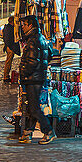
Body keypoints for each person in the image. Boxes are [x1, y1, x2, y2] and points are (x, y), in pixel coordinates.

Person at [18, 14, 55, 145]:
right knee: (32, 106)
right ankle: (27, 132)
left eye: (24, 25)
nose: (22, 27)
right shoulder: (41, 38)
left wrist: (23, 73)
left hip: (33, 78)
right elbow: (49, 54)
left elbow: (32, 61)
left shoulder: (33, 39)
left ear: (30, 25)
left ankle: (48, 131)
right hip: (37, 77)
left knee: (34, 108)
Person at [1, 16, 19, 83]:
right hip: (10, 47)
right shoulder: (9, 28)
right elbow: (8, 39)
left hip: (9, 47)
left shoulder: (7, 27)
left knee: (8, 62)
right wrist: (11, 47)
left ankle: (6, 76)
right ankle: (6, 76)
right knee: (8, 62)